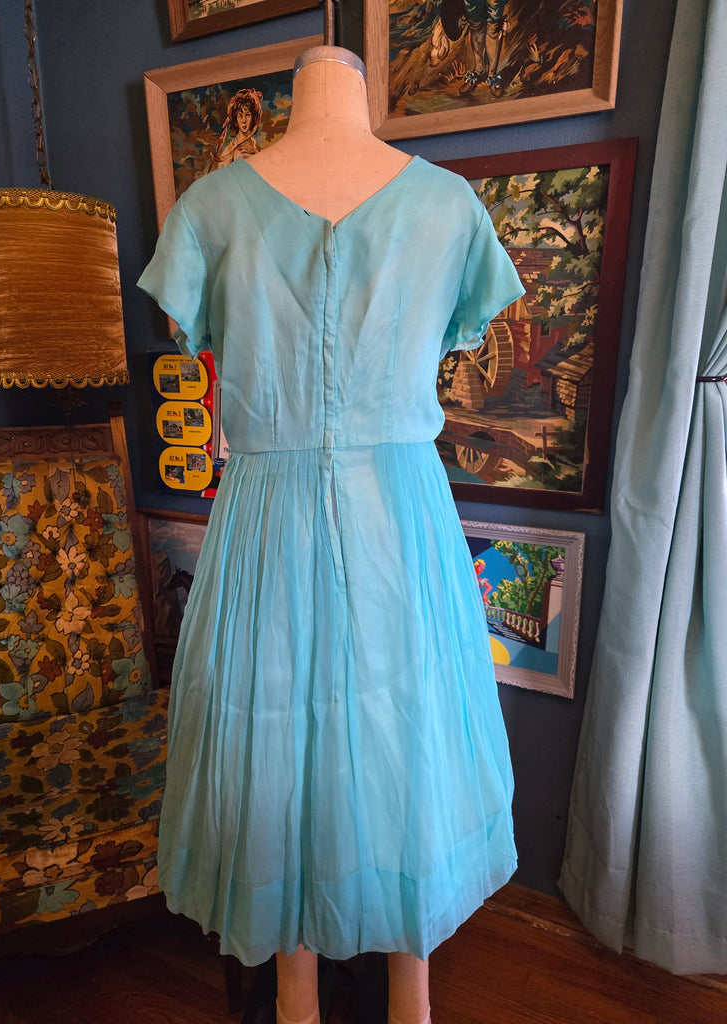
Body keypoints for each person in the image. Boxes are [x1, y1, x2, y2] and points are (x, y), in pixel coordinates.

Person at [139, 44, 523, 1024]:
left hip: (380, 522)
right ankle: (304, 991)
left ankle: (390, 992)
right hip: (292, 515)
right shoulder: (210, 210)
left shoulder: (447, 209)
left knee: (404, 735)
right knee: (284, 741)